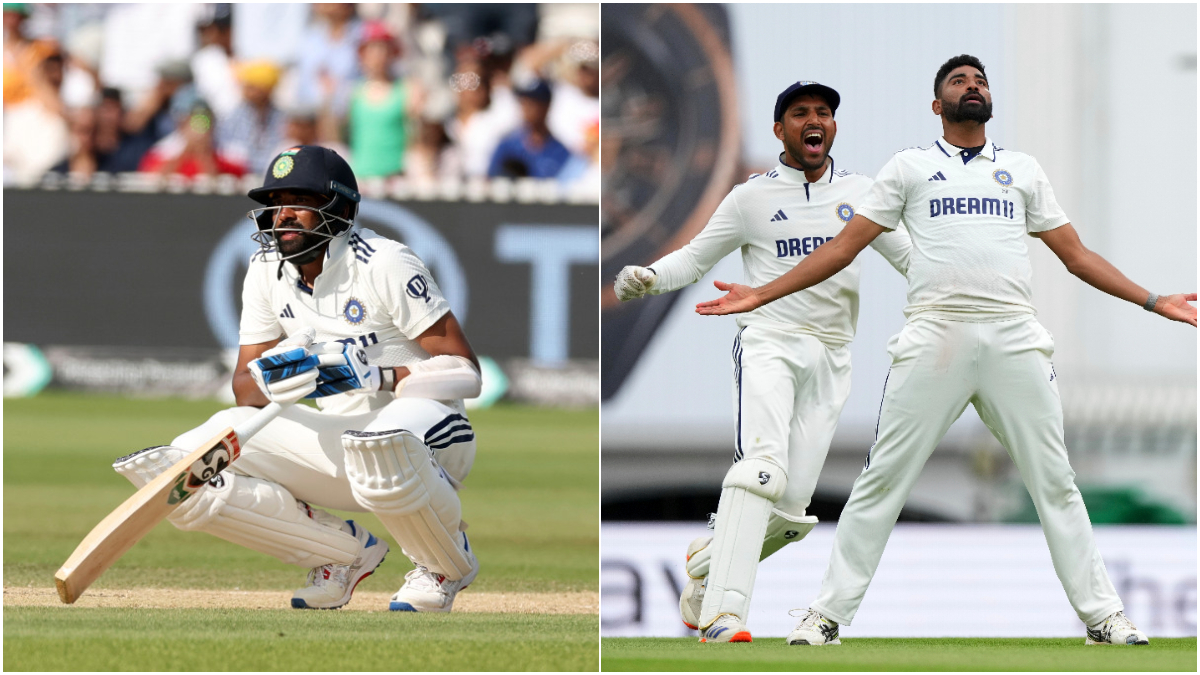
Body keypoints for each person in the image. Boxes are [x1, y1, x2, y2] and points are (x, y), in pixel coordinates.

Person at [696, 55, 1196, 646]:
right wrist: (762, 293)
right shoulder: (909, 168)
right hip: (935, 337)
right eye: (959, 81)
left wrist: (1153, 299)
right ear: (939, 106)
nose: (973, 86)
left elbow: (1077, 256)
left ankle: (1102, 615)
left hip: (1014, 336)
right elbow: (841, 249)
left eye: (980, 80)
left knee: (1056, 482)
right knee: (882, 481)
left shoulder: (1020, 170)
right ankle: (826, 615)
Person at [112, 145, 484, 613]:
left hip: (430, 439)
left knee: (380, 444)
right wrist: (280, 376)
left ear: (341, 209)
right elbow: (244, 392)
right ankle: (341, 555)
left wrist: (382, 375)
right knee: (188, 465)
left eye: (299, 201)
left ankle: (443, 563)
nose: (282, 215)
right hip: (344, 447)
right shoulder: (265, 270)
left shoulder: (384, 262)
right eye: (276, 203)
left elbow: (467, 371)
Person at [613, 82, 912, 642]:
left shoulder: (863, 194)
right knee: (762, 471)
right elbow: (695, 257)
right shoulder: (751, 198)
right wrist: (648, 278)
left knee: (793, 514)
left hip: (832, 353)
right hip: (769, 340)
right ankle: (724, 616)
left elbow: (911, 260)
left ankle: (706, 562)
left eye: (823, 112)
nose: (814, 120)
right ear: (780, 130)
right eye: (800, 113)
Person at [487, 78, 571, 180]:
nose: (526, 108)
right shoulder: (507, 146)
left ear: (547, 106)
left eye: (532, 103)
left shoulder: (560, 151)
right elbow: (490, 179)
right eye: (523, 102)